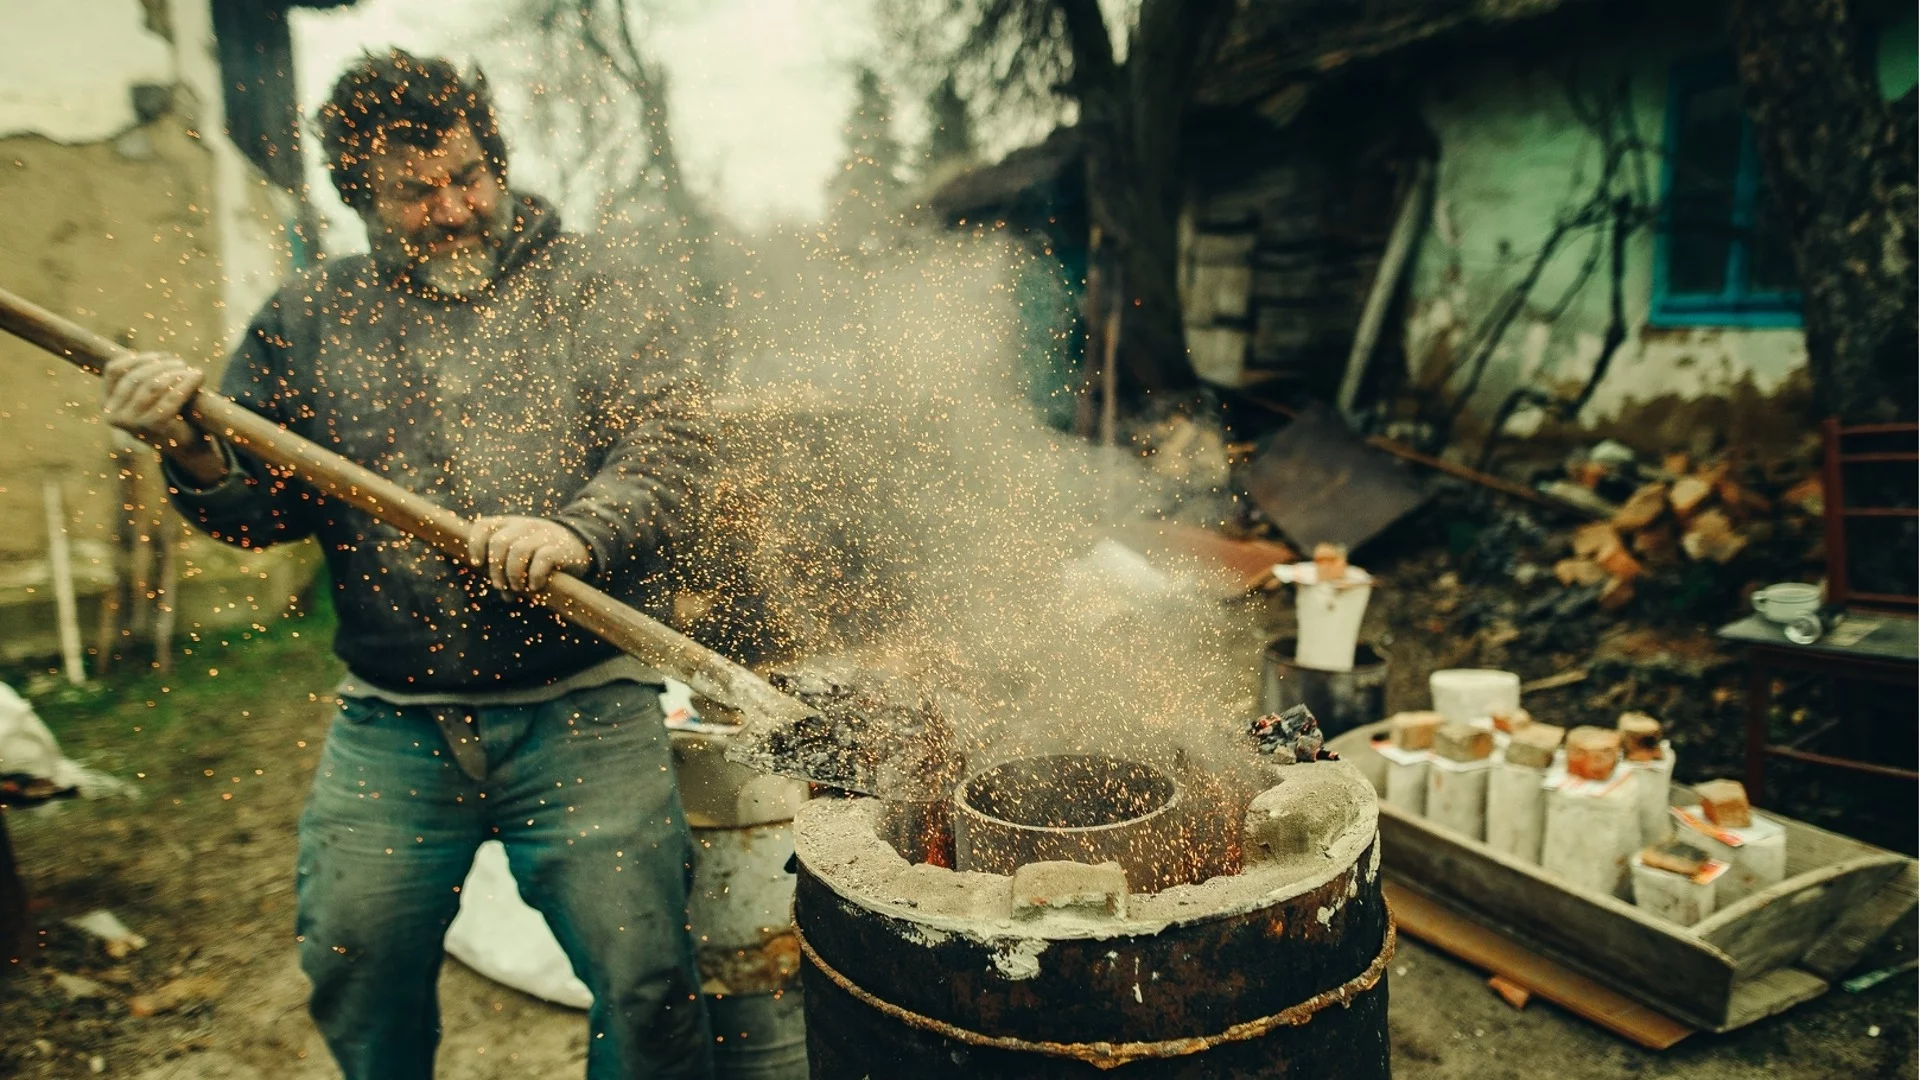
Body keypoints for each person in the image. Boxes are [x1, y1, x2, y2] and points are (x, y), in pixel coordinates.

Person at [99, 49, 715, 1079]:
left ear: (497, 158)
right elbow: (261, 513)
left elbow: (675, 443)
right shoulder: (307, 316)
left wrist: (578, 530)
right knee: (354, 957)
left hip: (587, 705)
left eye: (469, 173)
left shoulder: (594, 283)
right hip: (393, 719)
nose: (455, 206)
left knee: (646, 983)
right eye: (414, 192)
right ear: (360, 198)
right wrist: (189, 446)